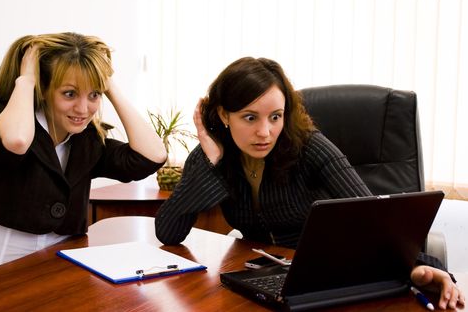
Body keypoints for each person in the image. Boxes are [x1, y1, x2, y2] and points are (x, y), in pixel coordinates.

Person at [155, 57, 465, 310]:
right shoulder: (213, 155)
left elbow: (373, 219)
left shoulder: (308, 147)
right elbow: (168, 233)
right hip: (263, 280)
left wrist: (423, 268)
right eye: (250, 118)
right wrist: (208, 163)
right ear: (224, 114)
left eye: (275, 117)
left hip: (328, 278)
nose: (265, 132)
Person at [0, 32, 167, 280]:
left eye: (94, 95)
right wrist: (27, 79)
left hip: (57, 265)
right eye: (70, 94)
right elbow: (17, 142)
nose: (83, 110)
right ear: (43, 90)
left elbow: (153, 155)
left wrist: (110, 85)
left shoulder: (88, 140)